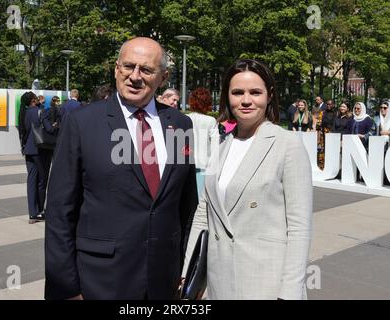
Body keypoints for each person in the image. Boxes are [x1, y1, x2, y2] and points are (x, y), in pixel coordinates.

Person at [45, 37, 198, 300]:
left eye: (146, 70)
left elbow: (186, 206)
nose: (134, 77)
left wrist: (189, 272)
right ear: (117, 69)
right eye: (128, 66)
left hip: (165, 281)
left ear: (164, 77)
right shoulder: (82, 123)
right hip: (100, 281)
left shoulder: (180, 125)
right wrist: (66, 288)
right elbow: (60, 211)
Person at [183, 59, 313, 300]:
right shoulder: (222, 145)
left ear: (269, 95)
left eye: (255, 92)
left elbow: (299, 227)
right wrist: (187, 274)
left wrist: (290, 293)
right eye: (237, 92)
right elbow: (204, 213)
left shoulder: (288, 144)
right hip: (219, 282)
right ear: (227, 96)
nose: (245, 100)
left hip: (267, 285)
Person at [22, 93, 52, 224]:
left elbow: (25, 130)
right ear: (34, 100)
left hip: (29, 149)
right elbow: (49, 129)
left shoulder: (25, 112)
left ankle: (32, 214)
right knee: (42, 180)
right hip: (41, 149)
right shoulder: (42, 111)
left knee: (31, 180)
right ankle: (40, 211)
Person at [186, 87, 219, 197]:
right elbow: (215, 146)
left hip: (185, 166)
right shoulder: (211, 121)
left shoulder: (184, 118)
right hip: (204, 166)